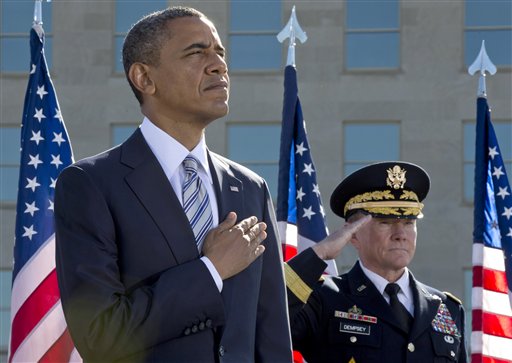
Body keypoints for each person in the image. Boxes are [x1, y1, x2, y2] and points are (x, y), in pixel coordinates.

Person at [54, 6, 292, 362]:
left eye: (219, 53)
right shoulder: (90, 184)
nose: (218, 65)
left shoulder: (251, 188)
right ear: (144, 78)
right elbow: (99, 335)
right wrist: (210, 271)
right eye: (196, 52)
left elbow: (271, 335)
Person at [286, 161, 467, 362]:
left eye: (409, 223)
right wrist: (319, 253)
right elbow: (265, 317)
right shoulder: (324, 298)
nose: (400, 234)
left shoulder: (446, 307)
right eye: (385, 222)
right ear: (352, 235)